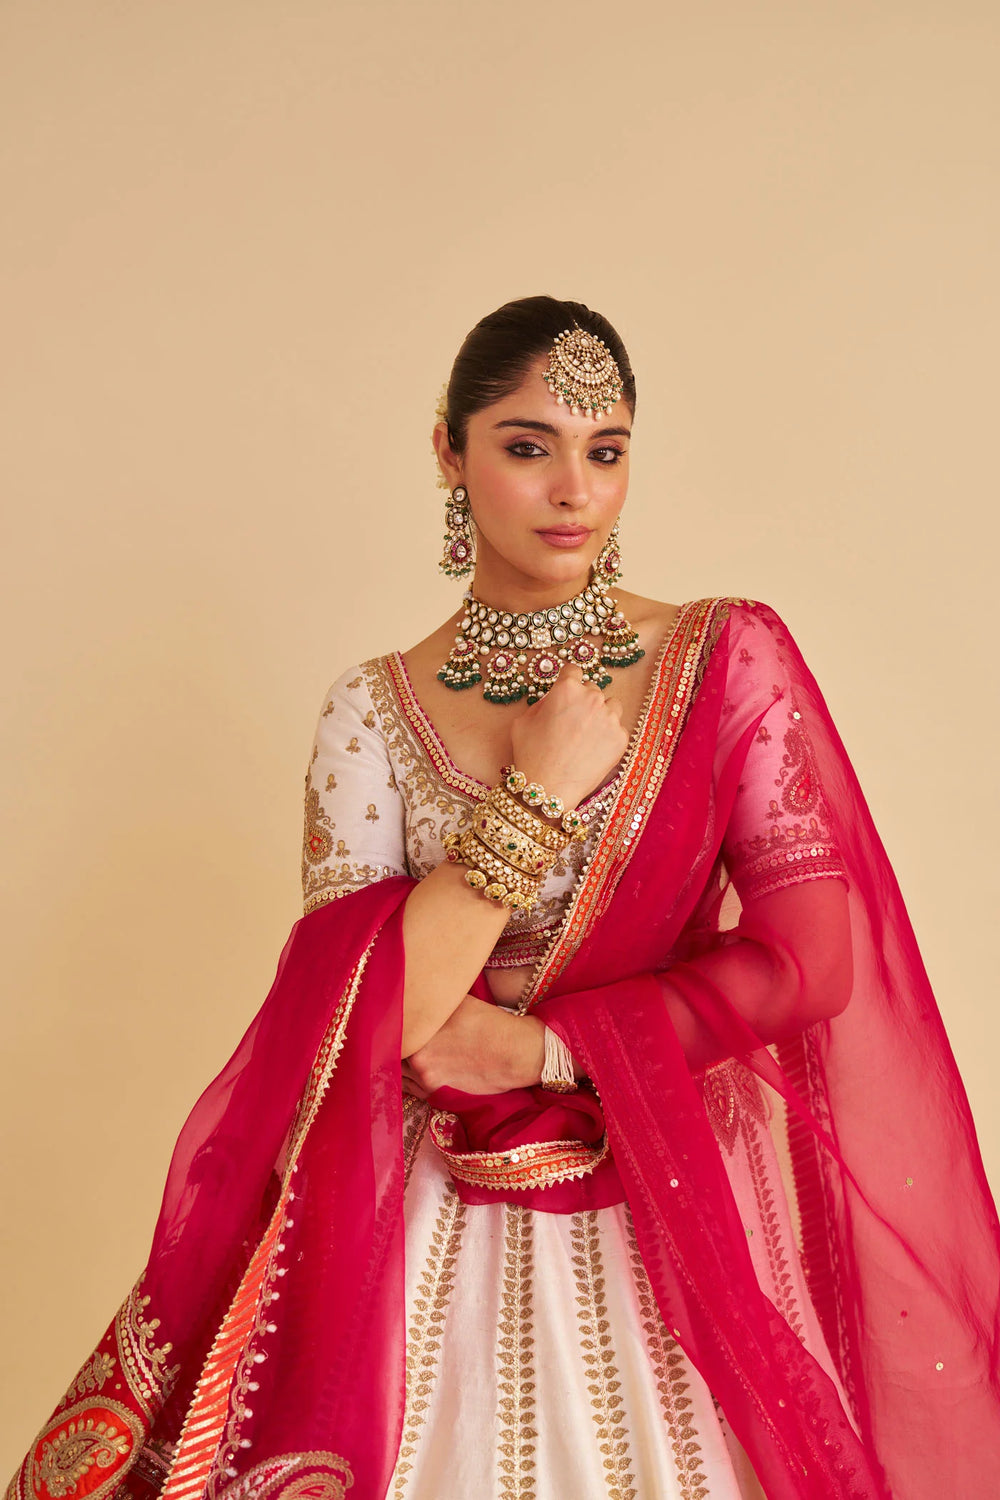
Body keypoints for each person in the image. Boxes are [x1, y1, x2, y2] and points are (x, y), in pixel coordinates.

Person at [9, 297, 1000, 1500]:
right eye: (529, 446)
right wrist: (533, 797)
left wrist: (549, 1049)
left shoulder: (722, 659)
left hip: (667, 1198)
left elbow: (809, 966)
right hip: (430, 1223)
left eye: (606, 450)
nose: (574, 489)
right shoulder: (369, 710)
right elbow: (372, 1007)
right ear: (449, 450)